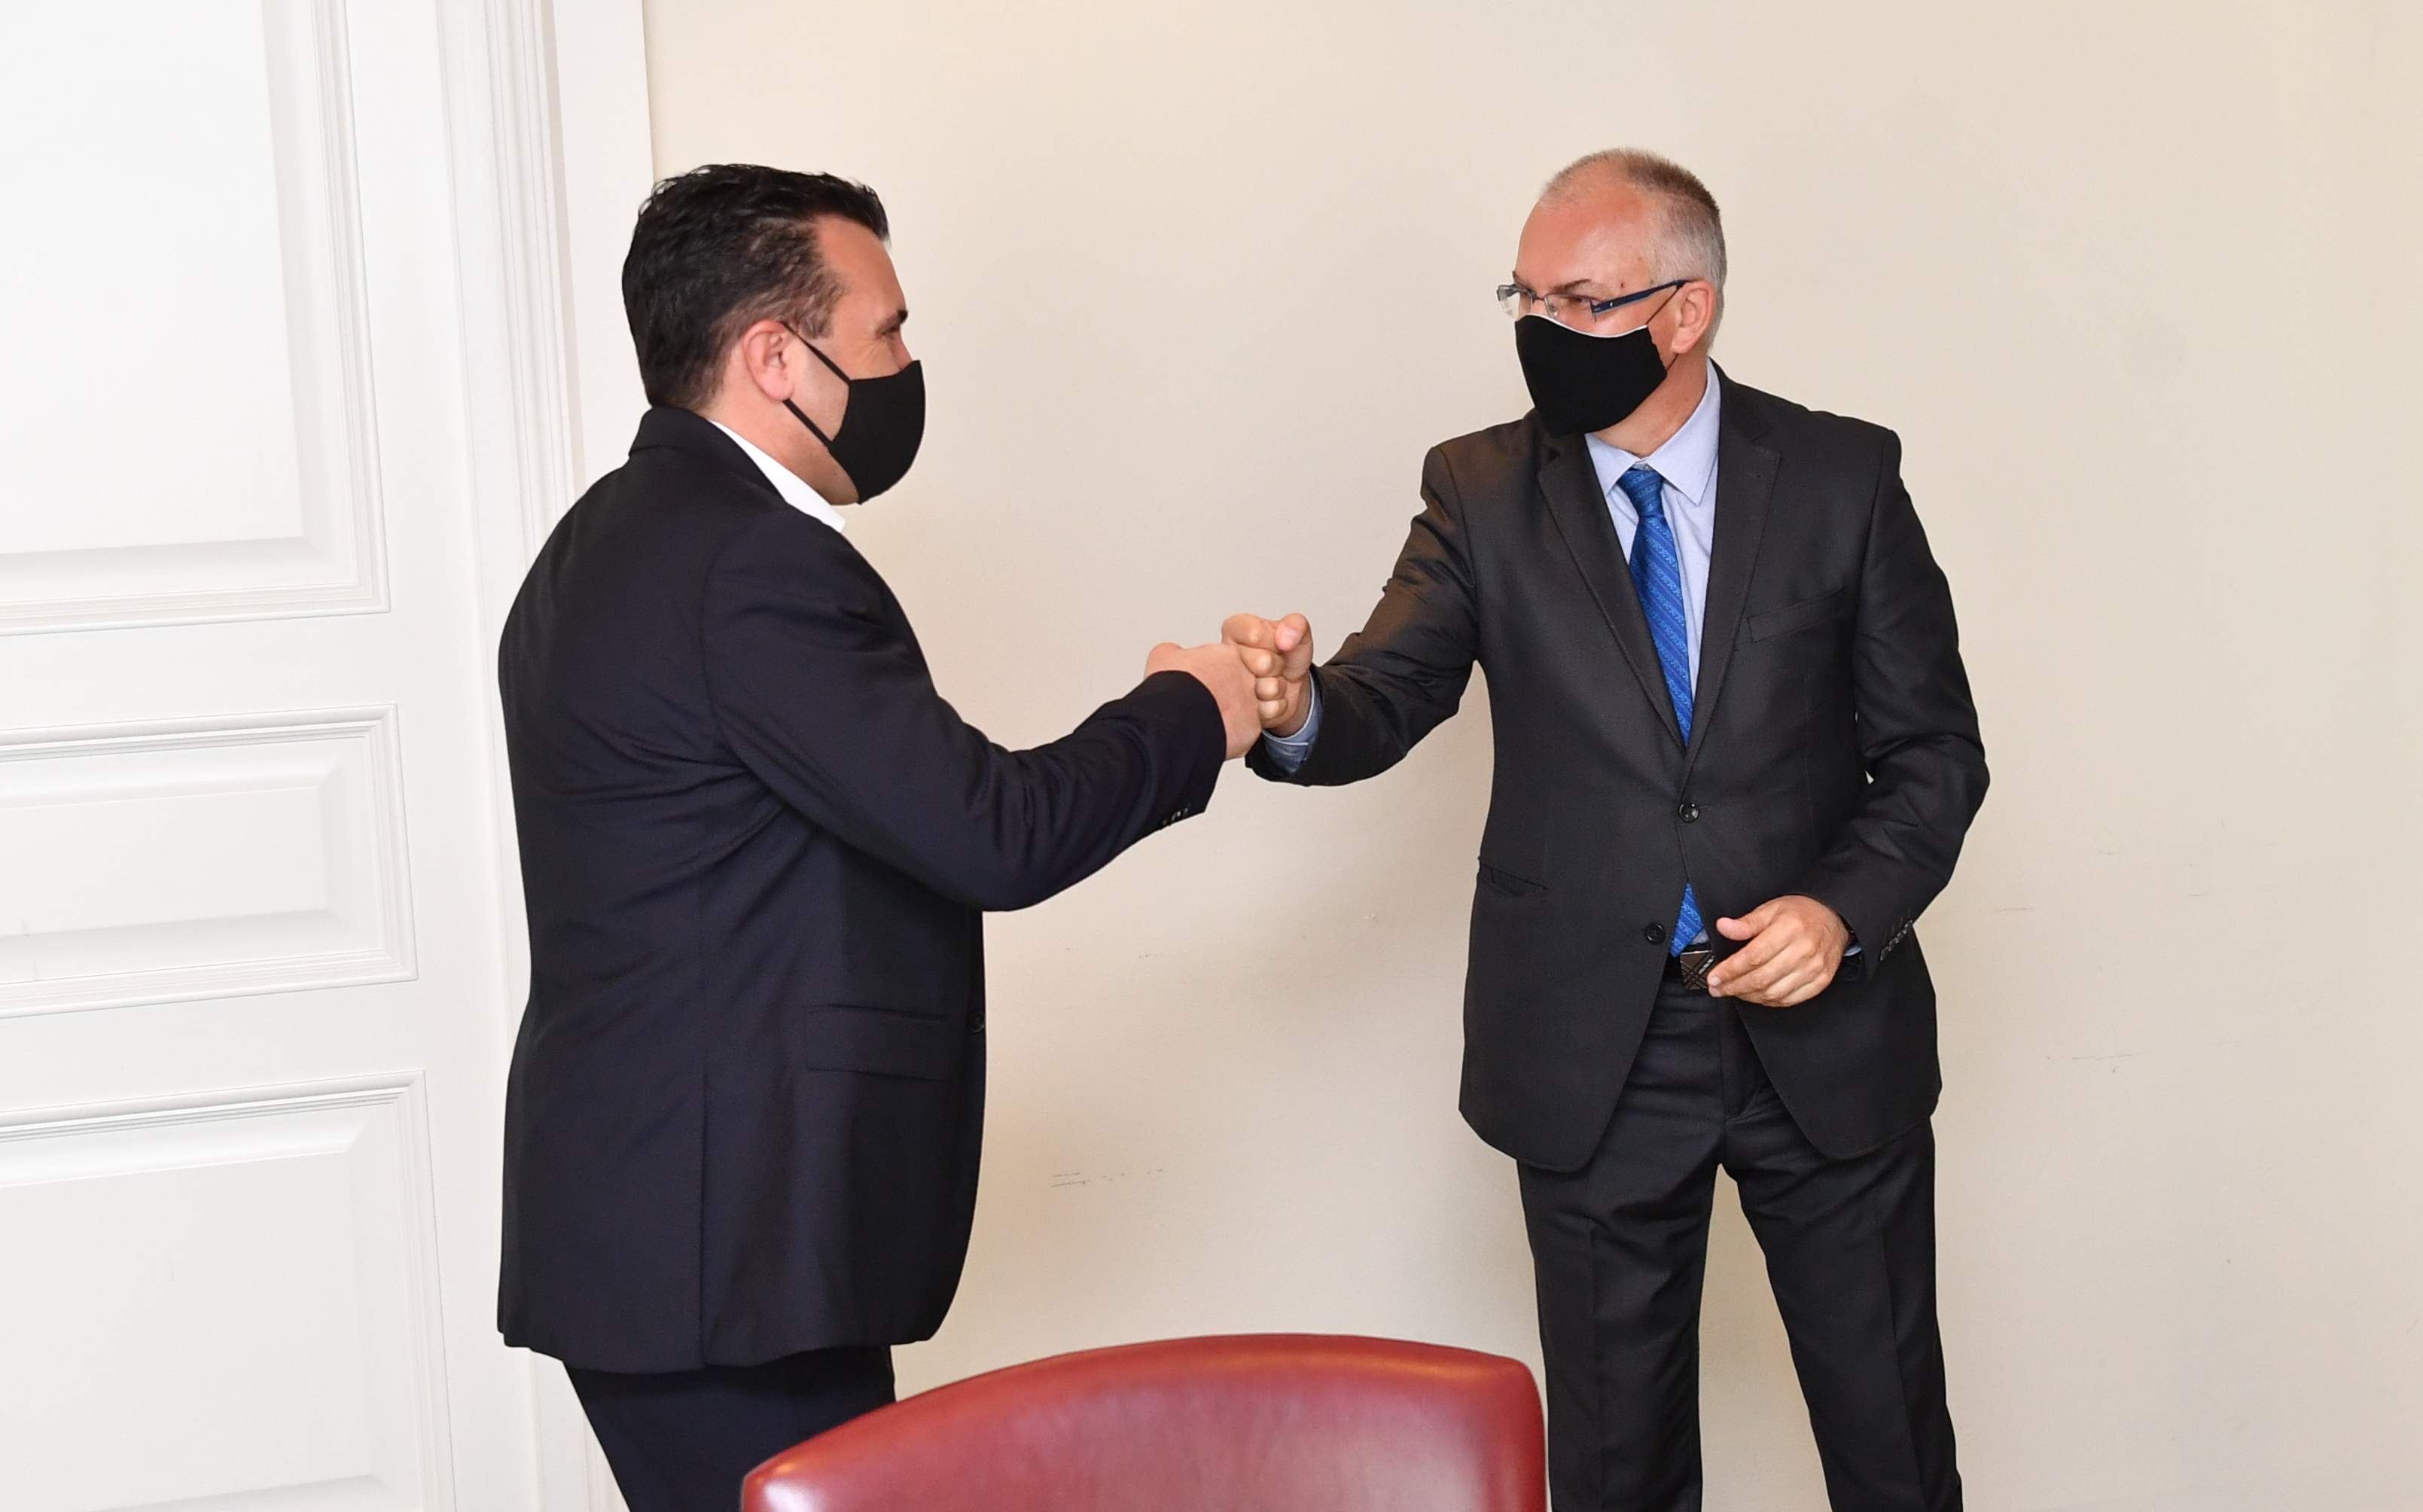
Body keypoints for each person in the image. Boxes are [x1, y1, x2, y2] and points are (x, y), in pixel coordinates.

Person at [1227, 150, 1987, 1510]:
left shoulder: (1840, 475)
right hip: (1594, 1048)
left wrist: (1839, 912)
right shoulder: (1478, 489)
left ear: (1685, 312)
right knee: (1614, 1469)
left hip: (1824, 1040)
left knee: (1889, 1447)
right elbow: (1381, 696)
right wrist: (1292, 710)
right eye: (1522, 297)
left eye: (1579, 302)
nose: (1540, 329)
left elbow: (1934, 754)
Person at [495, 163, 1260, 1512]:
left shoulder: (599, 543)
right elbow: (992, 834)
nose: (907, 364)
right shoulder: (749, 565)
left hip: (669, 1240)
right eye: (887, 330)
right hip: (729, 1261)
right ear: (774, 357)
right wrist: (1193, 709)